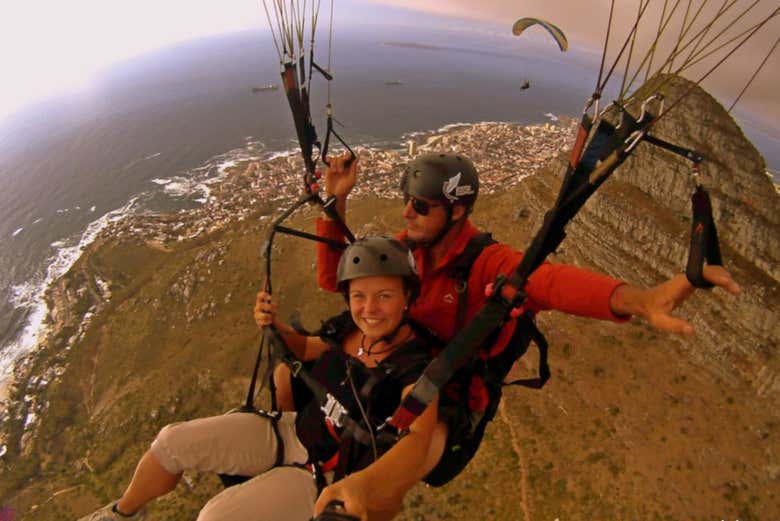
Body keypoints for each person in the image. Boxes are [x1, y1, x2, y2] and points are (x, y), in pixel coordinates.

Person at [303, 152, 741, 487]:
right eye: (407, 202)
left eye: (420, 205)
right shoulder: (408, 249)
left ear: (457, 212)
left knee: (367, 483)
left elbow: (549, 281)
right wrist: (336, 200)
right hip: (392, 375)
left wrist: (641, 301)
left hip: (442, 403)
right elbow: (334, 278)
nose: (407, 213)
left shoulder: (488, 263)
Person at [78, 237, 439, 521]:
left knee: (214, 517)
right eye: (359, 296)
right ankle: (121, 513)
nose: (369, 309)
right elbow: (305, 348)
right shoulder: (348, 329)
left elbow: (418, 440)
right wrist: (272, 324)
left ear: (407, 297)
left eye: (384, 297)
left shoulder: (416, 366)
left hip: (324, 474)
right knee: (172, 441)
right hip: (290, 432)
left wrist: (362, 486)